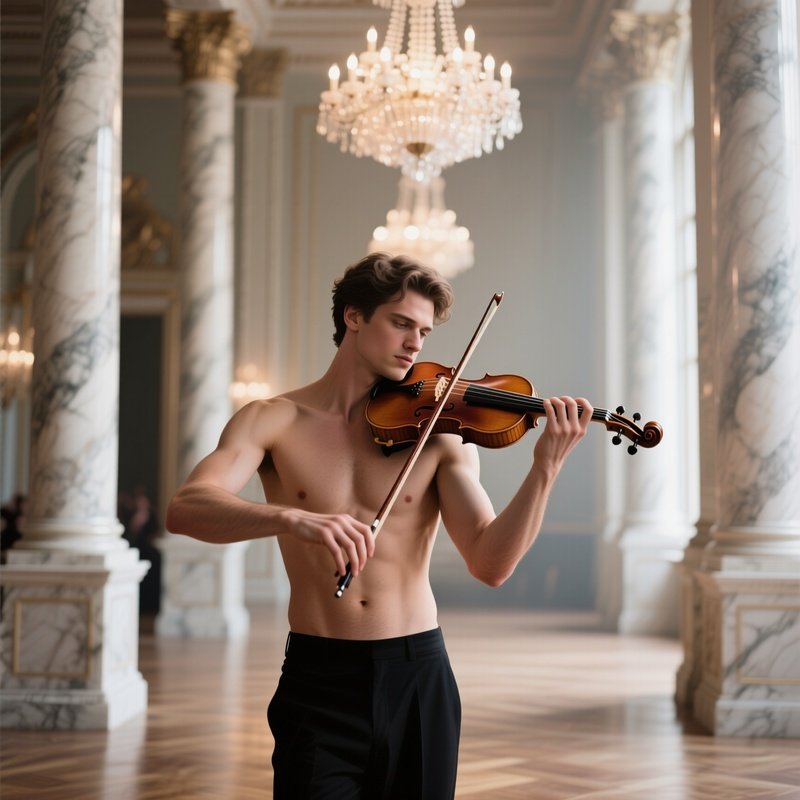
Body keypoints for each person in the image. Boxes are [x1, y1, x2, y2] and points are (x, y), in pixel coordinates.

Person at [165, 252, 592, 799]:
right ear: (354, 316)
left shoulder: (438, 433)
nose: (416, 343)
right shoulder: (271, 419)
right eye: (401, 323)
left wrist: (545, 468)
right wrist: (289, 517)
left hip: (418, 674)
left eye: (425, 331)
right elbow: (187, 507)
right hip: (317, 676)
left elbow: (491, 564)